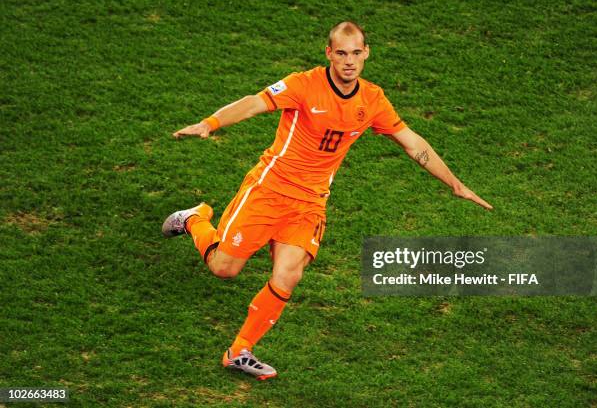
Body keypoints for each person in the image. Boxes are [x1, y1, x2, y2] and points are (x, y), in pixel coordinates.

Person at [162, 21, 492, 380]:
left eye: (355, 53)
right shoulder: (303, 85)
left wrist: (456, 184)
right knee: (224, 268)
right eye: (341, 53)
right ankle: (195, 218)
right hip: (270, 190)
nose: (349, 61)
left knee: (289, 274)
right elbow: (254, 103)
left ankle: (239, 350)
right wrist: (211, 123)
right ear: (329, 54)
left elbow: (413, 143)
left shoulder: (373, 99)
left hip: (310, 202)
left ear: (366, 53)